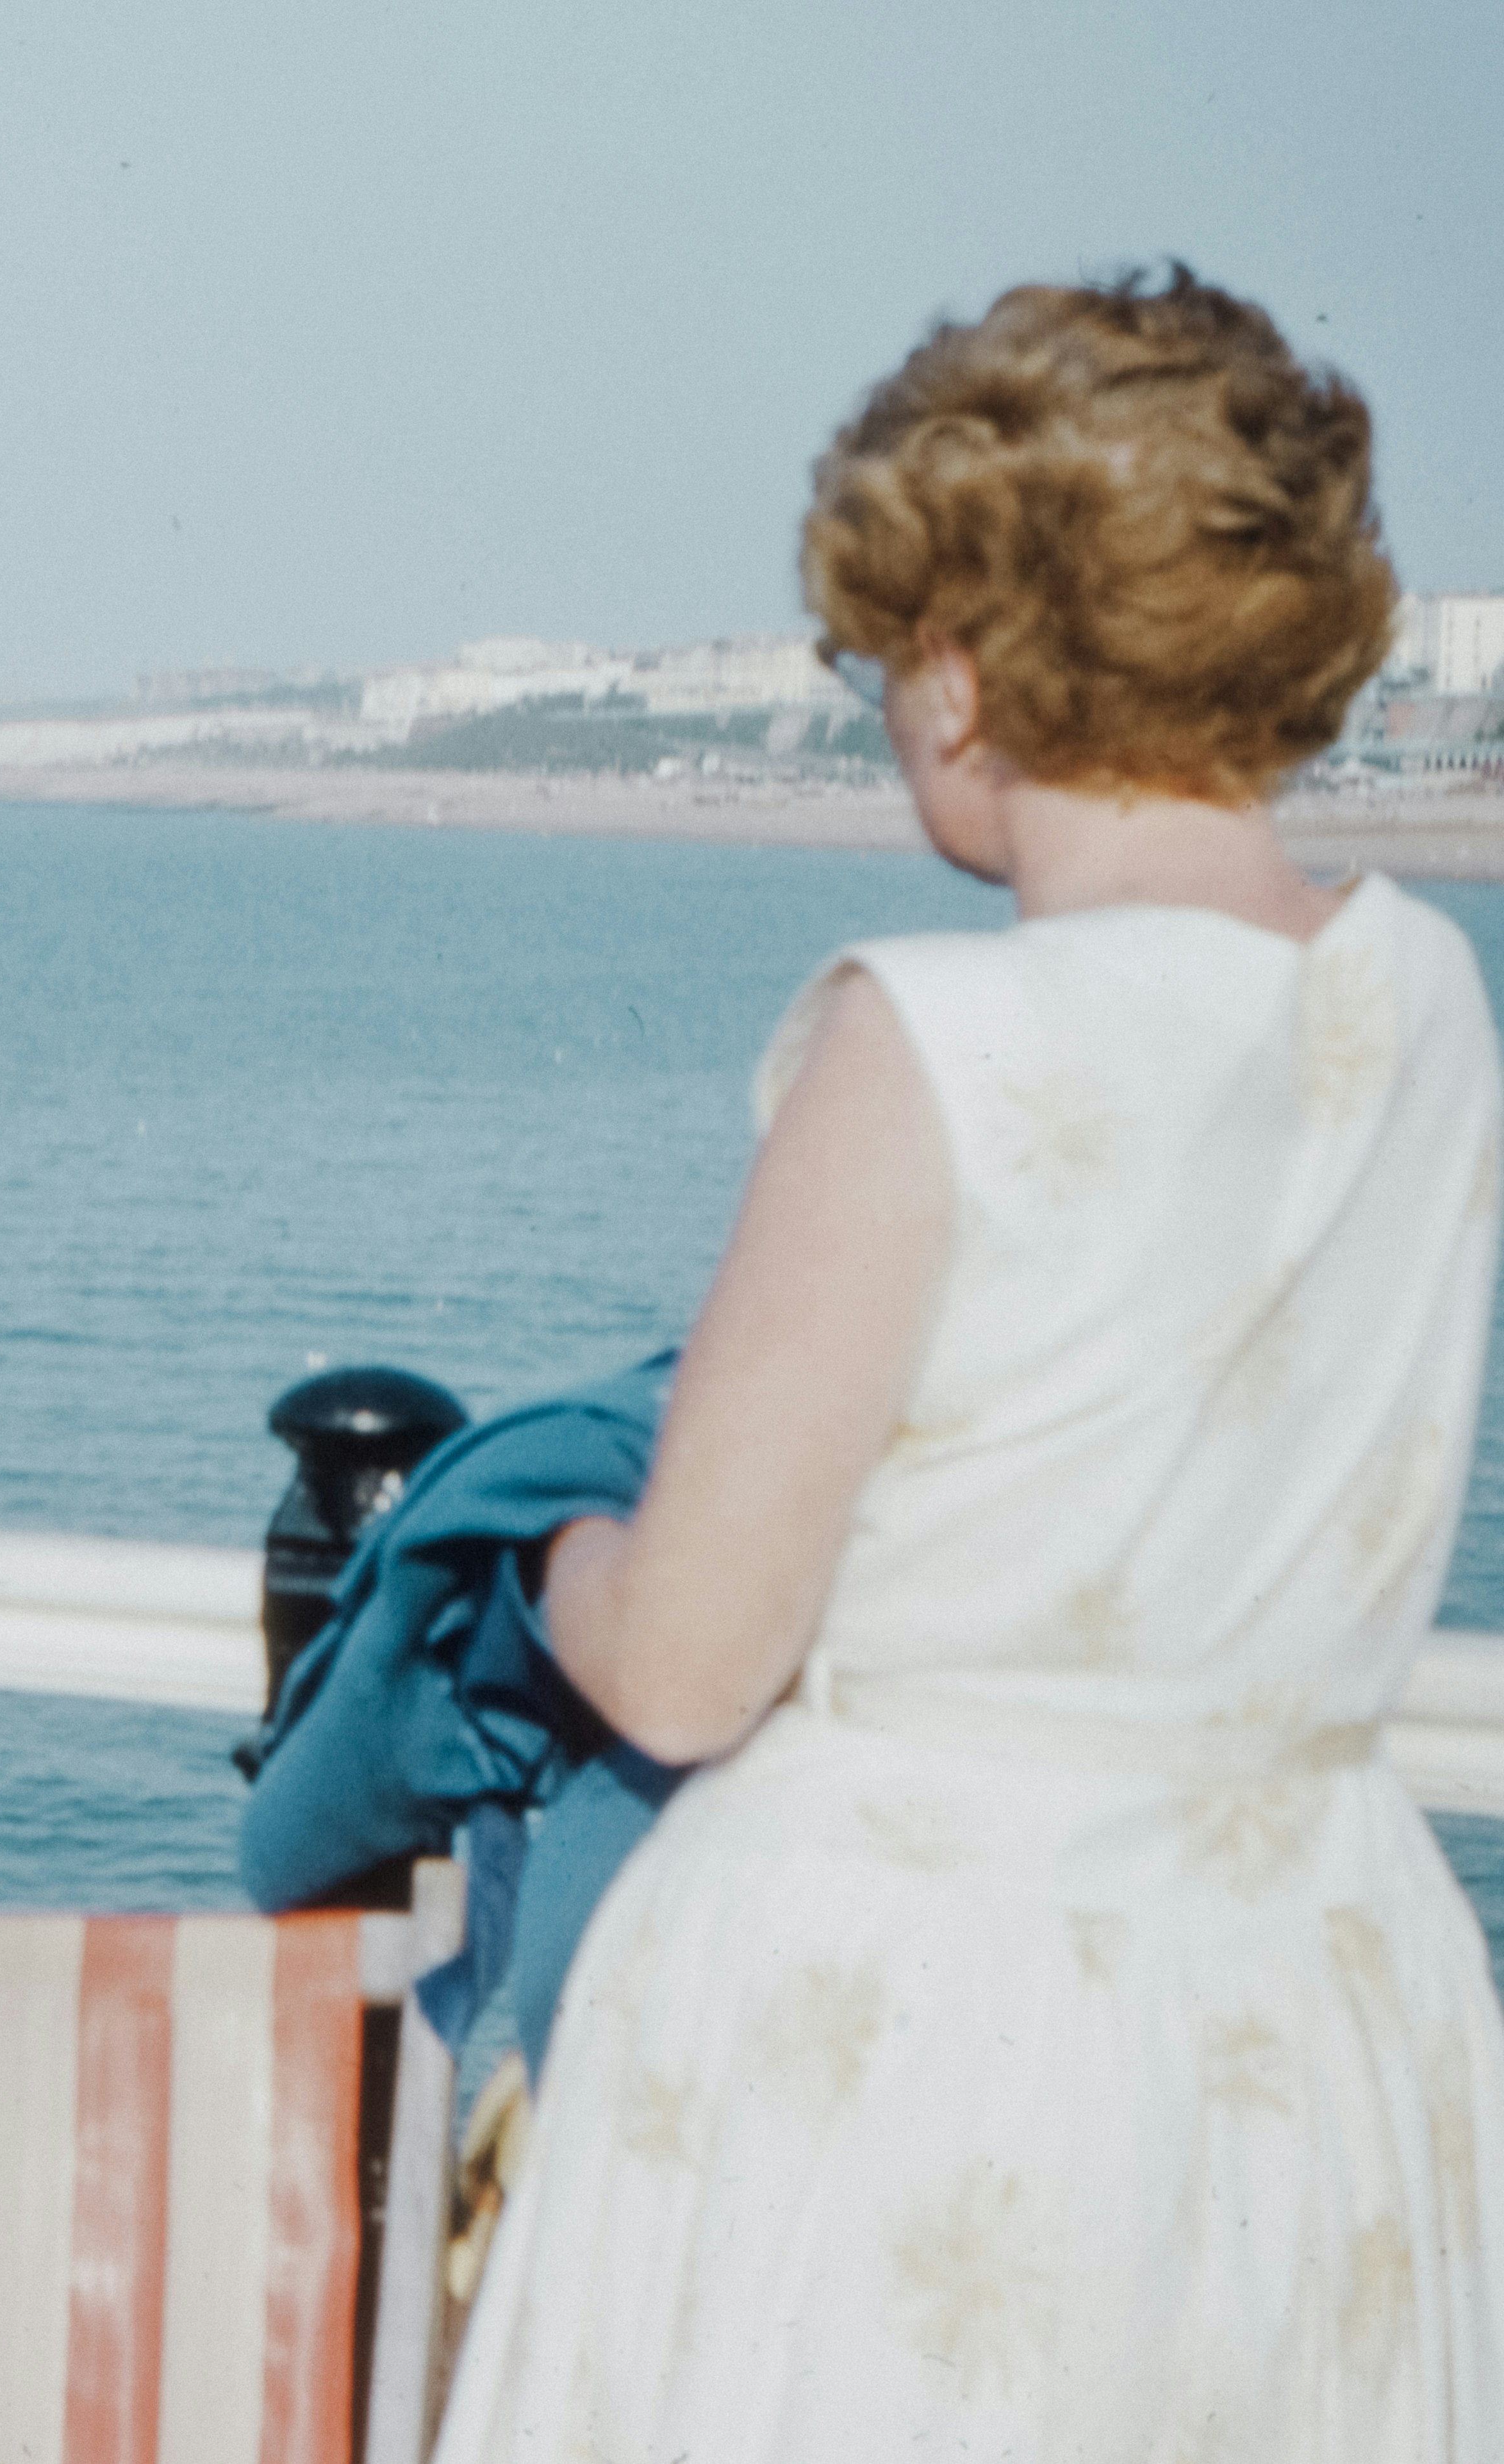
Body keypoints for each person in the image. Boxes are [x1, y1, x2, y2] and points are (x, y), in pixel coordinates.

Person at [432, 269, 1504, 2458]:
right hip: (1305, 1989)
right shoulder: (1428, 1001)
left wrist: (540, 1555)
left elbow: (690, 1665)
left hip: (927, 2020)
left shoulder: (928, 1043)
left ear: (961, 670)